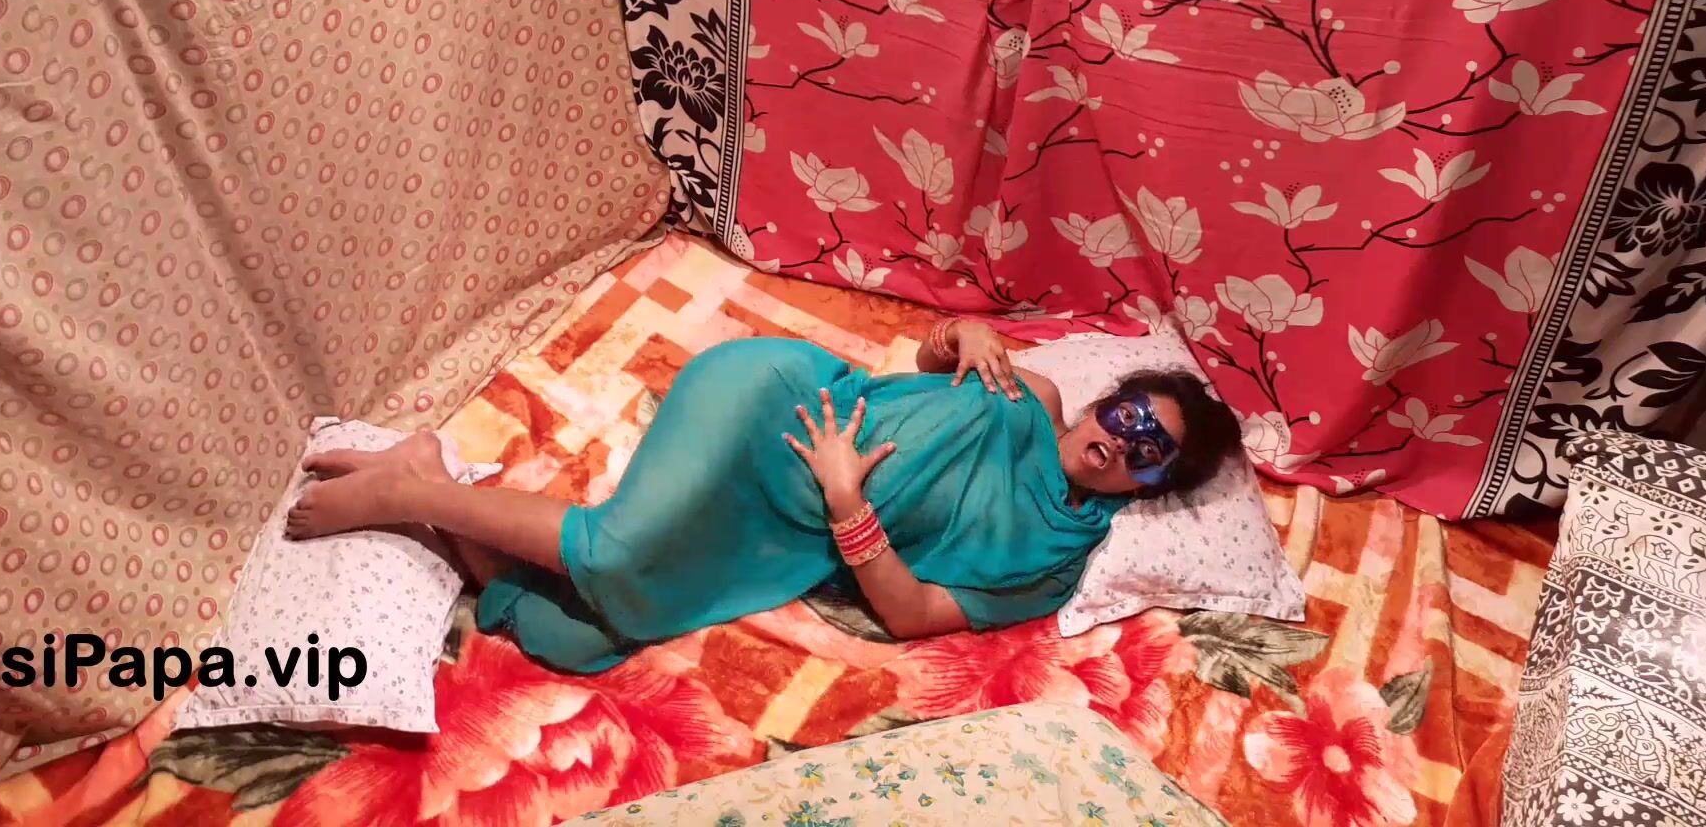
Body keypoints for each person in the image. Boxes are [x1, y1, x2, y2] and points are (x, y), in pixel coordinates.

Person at [287, 319, 1243, 673]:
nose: (1120, 439)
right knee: (616, 551)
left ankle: (427, 481)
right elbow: (921, 365)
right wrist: (961, 332)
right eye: (1128, 414)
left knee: (579, 639)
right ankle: (411, 490)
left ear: (1152, 485)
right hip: (775, 404)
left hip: (800, 522)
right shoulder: (1029, 390)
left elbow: (912, 615)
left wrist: (847, 503)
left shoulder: (1055, 561)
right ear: (1106, 400)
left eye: (1148, 451)